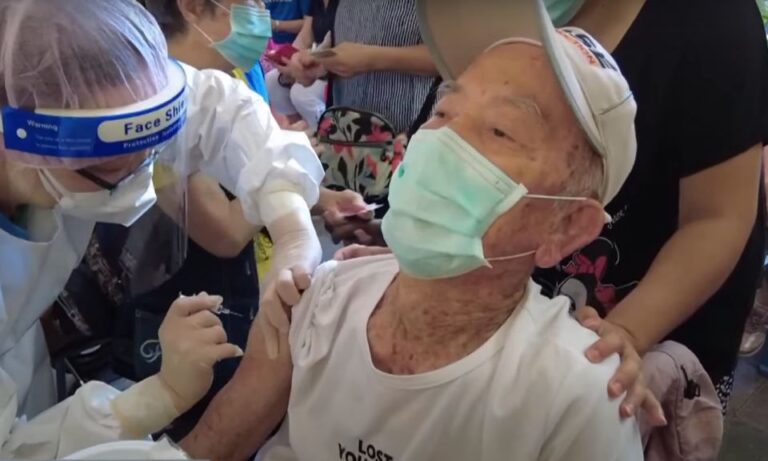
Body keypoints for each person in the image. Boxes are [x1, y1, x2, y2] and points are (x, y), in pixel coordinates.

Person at [178, 3, 658, 459]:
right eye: (444, 111)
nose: (443, 138)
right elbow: (215, 445)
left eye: (500, 130)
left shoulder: (573, 396)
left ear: (567, 227)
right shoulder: (324, 295)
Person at [329, 0, 768, 413]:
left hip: (639, 321)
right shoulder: (497, 17)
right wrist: (416, 234)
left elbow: (718, 218)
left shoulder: (712, 22)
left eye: (502, 130)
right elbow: (461, 144)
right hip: (496, 319)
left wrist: (624, 333)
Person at [0, 0, 324, 455]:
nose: (139, 179)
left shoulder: (80, 99)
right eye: (112, 167)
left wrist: (291, 228)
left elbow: (220, 111)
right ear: (17, 137)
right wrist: (158, 397)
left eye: (151, 152)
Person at [289, 0, 438, 135]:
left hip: (408, 131)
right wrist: (322, 64)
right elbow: (348, 41)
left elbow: (448, 57)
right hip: (347, 132)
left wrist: (372, 59)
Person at [265, 0, 337, 130]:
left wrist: (304, 63)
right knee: (272, 80)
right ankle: (297, 128)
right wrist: (289, 59)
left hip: (333, 68)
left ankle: (321, 132)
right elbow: (305, 36)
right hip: (314, 57)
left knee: (300, 93)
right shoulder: (316, 3)